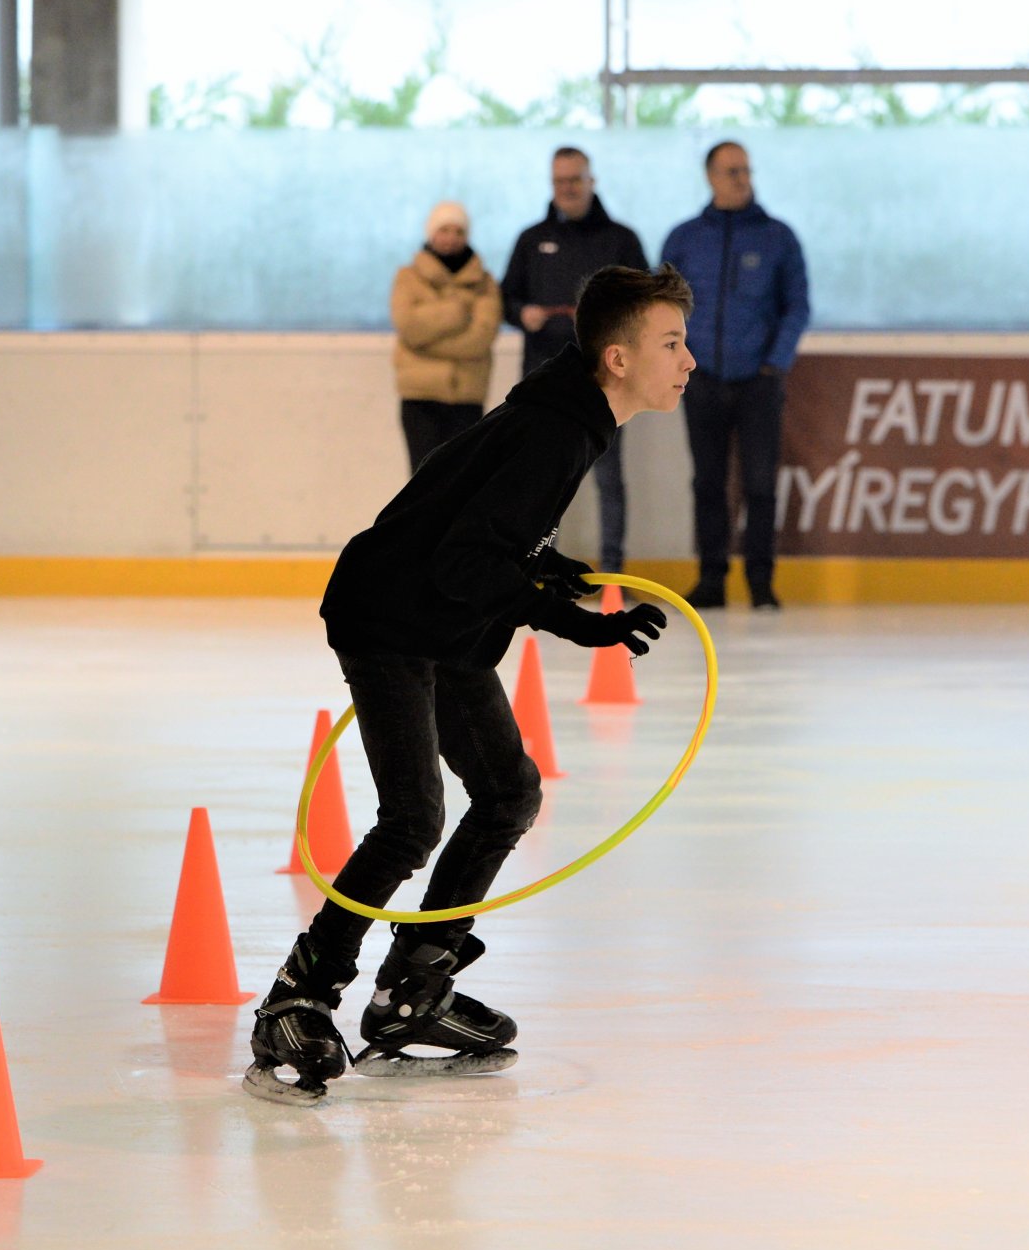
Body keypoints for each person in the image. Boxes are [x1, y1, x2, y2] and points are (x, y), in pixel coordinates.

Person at [245, 265, 696, 1106]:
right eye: (671, 343)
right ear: (617, 358)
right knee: (413, 817)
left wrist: (556, 579)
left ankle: (415, 987)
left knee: (507, 792)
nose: (689, 360)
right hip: (391, 618)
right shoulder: (555, 431)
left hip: (445, 623)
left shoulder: (570, 420)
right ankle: (297, 997)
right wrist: (576, 622)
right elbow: (463, 559)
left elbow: (494, 541)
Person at [661, 140, 810, 610]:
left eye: (745, 169)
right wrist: (674, 359)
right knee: (707, 482)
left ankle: (761, 582)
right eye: (731, 171)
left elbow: (797, 305)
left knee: (760, 484)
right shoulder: (684, 238)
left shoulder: (778, 237)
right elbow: (660, 307)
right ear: (710, 176)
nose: (741, 178)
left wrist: (774, 364)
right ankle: (711, 579)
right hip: (699, 379)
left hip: (758, 383)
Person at [501, 148, 650, 573]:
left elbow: (645, 303)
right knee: (543, 482)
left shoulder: (621, 239)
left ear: (591, 180)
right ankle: (538, 572)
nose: (567, 188)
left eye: (575, 179)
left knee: (608, 479)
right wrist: (521, 313)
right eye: (559, 181)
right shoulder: (531, 239)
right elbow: (506, 297)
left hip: (607, 382)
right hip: (544, 381)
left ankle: (612, 577)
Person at [391, 200, 504, 473]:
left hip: (466, 399)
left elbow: (481, 338)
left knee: (461, 482)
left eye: (458, 231)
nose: (451, 238)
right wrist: (454, 313)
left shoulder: (485, 283)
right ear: (431, 233)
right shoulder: (408, 278)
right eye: (444, 230)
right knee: (422, 481)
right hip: (420, 398)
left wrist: (429, 341)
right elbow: (409, 327)